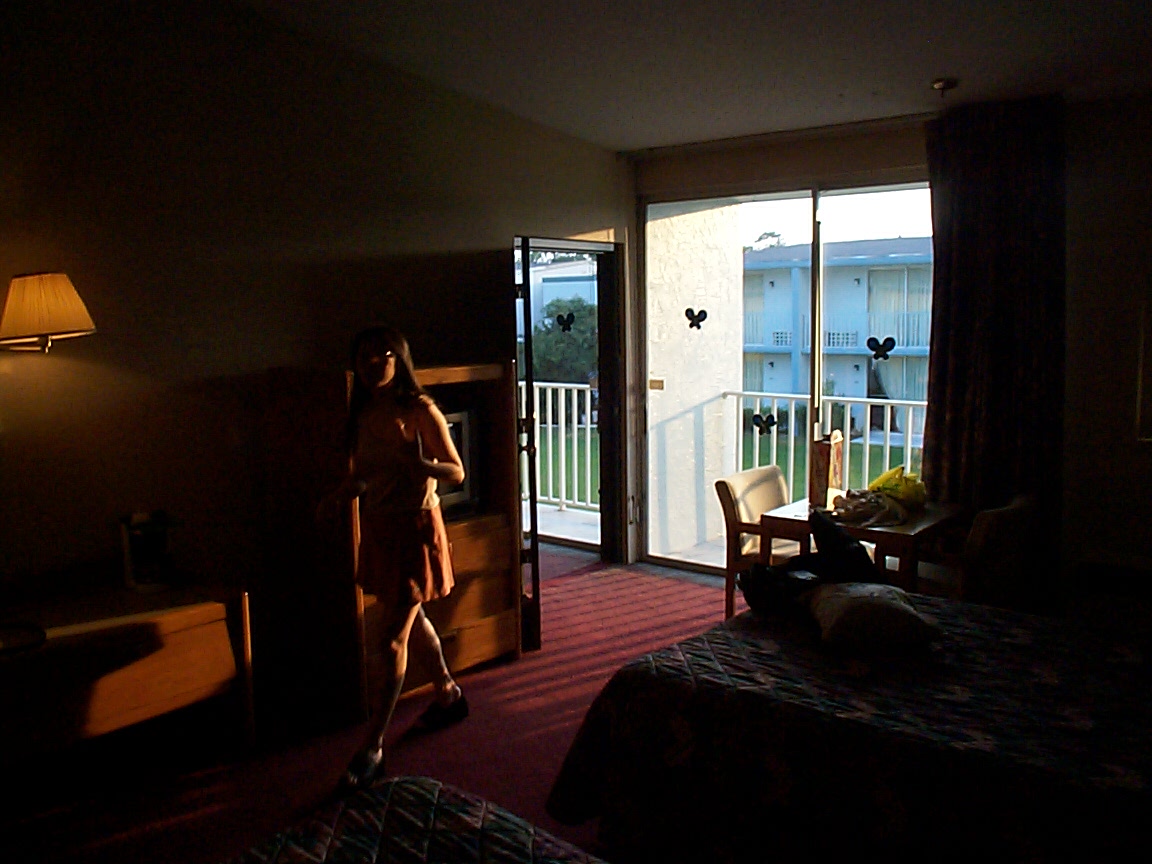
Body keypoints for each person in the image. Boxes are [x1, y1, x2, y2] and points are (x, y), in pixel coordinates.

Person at [324, 325, 469, 789]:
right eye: (363, 356)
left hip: (415, 529)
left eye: (382, 355)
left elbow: (457, 472)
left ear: (398, 358)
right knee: (410, 615)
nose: (373, 364)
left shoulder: (419, 408)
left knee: (391, 640)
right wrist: (339, 496)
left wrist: (422, 466)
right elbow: (366, 476)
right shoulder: (362, 413)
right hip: (380, 530)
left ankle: (373, 748)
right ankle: (448, 693)